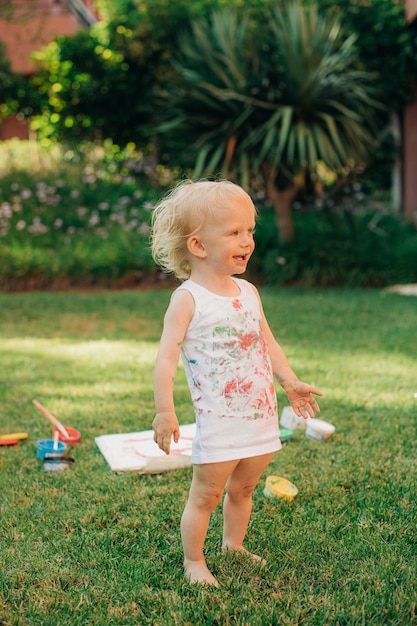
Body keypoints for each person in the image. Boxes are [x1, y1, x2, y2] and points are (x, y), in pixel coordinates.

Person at [151, 179, 322, 587]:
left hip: (259, 417)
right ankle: (194, 560)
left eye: (250, 231)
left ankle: (233, 544)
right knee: (206, 495)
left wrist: (290, 382)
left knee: (244, 488)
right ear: (198, 246)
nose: (247, 241)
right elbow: (165, 357)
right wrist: (164, 410)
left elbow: (269, 343)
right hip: (220, 420)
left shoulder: (248, 291)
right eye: (234, 232)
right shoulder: (188, 299)